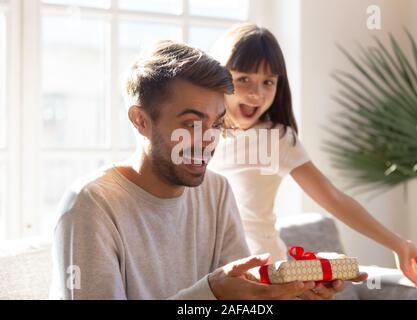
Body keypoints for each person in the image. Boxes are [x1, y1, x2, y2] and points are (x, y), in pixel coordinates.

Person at [50, 41, 362, 300]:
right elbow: (217, 296)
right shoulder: (90, 206)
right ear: (141, 120)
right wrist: (211, 292)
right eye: (191, 124)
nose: (207, 140)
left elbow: (240, 300)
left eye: (216, 124)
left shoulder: (216, 191)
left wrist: (298, 290)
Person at [209, 23, 417, 289]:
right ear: (222, 77)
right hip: (218, 277)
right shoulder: (201, 134)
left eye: (268, 82)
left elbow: (333, 197)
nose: (257, 94)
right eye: (243, 79)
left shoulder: (278, 139)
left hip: (268, 277)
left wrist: (397, 243)